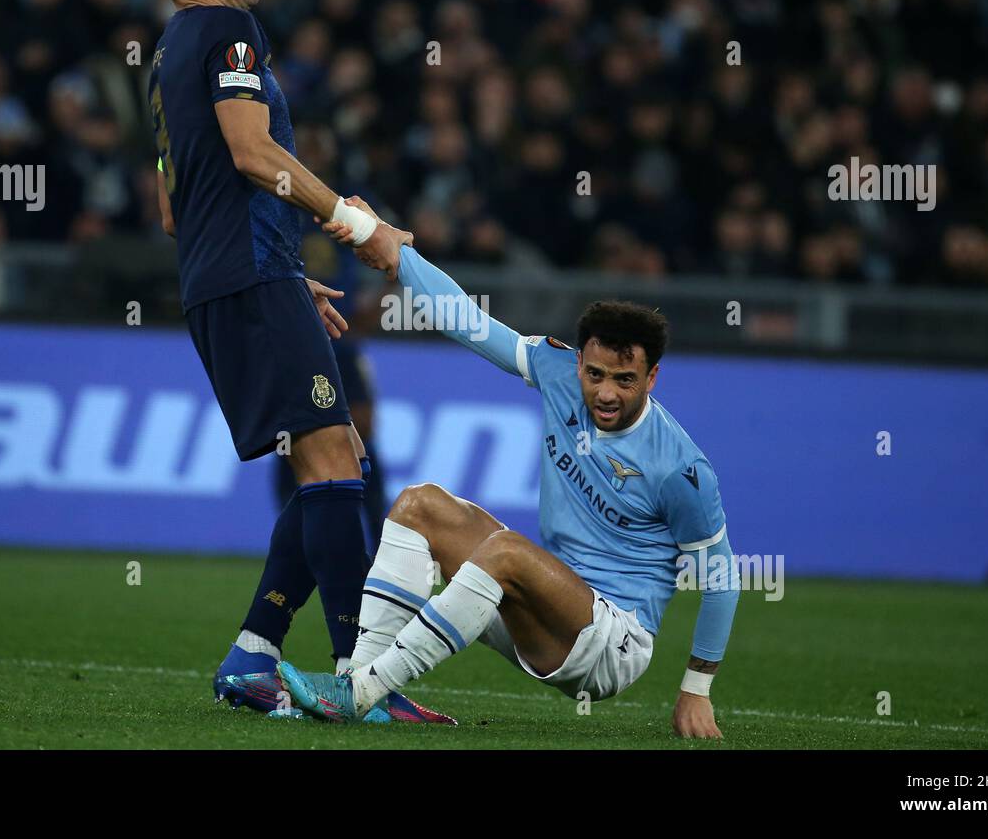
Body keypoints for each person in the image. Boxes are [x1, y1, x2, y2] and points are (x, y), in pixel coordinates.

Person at [146, 0, 448, 723]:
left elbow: (175, 208)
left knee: (336, 454)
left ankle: (254, 655)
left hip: (226, 280)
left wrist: (281, 271)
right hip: (250, 276)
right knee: (335, 469)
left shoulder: (164, 59)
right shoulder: (230, 31)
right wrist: (357, 225)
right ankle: (363, 679)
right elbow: (251, 153)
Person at [278, 210, 741, 737]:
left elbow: (722, 581)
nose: (606, 392)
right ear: (579, 363)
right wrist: (398, 254)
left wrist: (696, 690)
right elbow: (466, 320)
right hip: (536, 607)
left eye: (625, 379)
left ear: (652, 376)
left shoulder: (681, 467)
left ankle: (362, 692)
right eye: (594, 375)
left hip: (612, 643)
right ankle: (358, 680)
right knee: (419, 504)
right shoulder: (557, 370)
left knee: (506, 551)